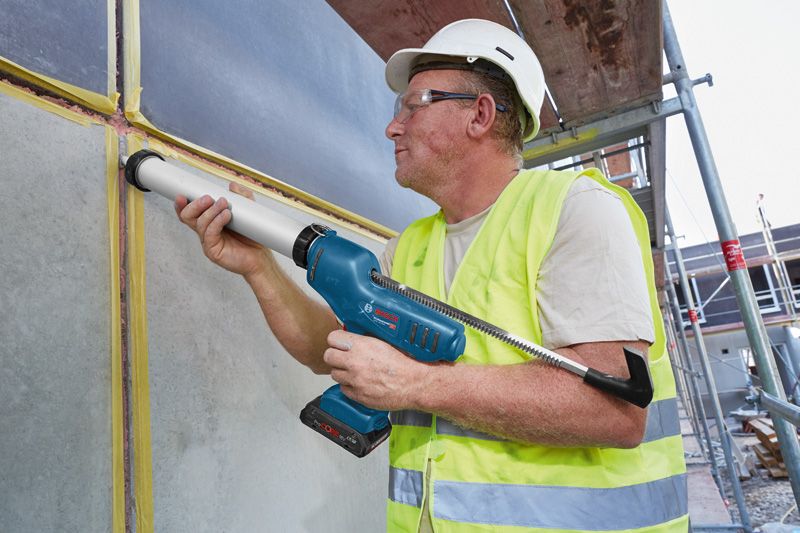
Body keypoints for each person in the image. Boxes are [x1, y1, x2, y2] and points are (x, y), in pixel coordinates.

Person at [175, 18, 687, 533]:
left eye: (414, 104)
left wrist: (417, 384)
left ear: (480, 115)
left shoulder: (574, 209)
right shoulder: (412, 246)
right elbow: (325, 348)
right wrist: (257, 266)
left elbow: (616, 412)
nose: (393, 127)